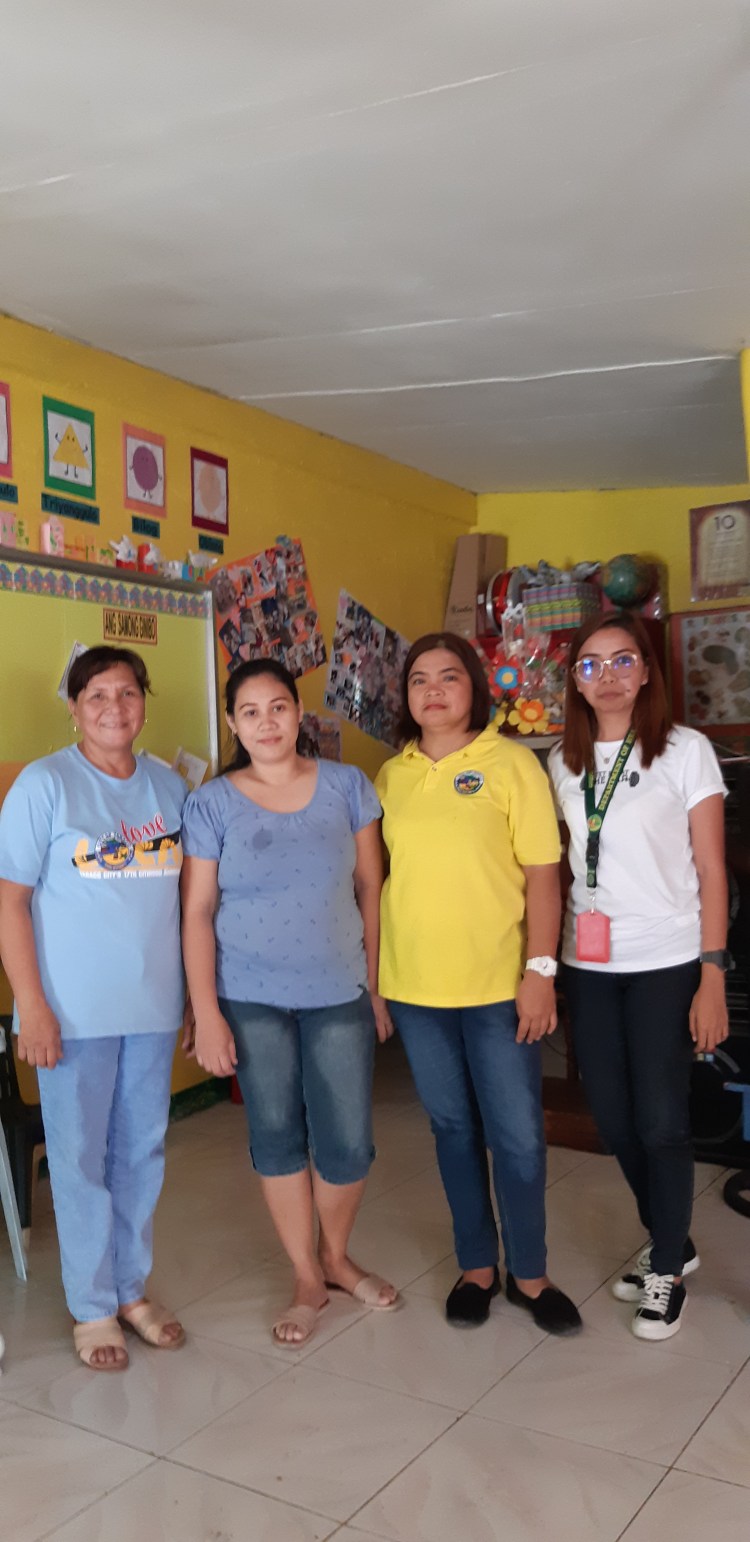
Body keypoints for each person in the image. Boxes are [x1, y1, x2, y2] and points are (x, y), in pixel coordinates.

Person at [180, 658, 398, 1348]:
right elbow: (197, 911)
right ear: (232, 722)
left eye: (278, 707)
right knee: (275, 1134)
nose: (266, 722)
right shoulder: (211, 803)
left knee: (347, 1141)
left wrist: (376, 986)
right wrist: (206, 1014)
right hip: (249, 997)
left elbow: (371, 888)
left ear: (299, 712)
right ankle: (308, 1275)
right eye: (250, 712)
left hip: (338, 989)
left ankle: (336, 1256)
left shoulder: (347, 786)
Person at [375, 633, 581, 1333]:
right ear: (406, 696)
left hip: (499, 987)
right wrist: (379, 981)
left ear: (475, 689)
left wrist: (541, 972)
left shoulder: (512, 764)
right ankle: (477, 1267)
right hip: (416, 988)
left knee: (517, 1135)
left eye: (449, 677)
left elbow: (544, 877)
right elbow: (379, 881)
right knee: (452, 1128)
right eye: (419, 679)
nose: (433, 690)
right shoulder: (390, 776)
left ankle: (530, 1274)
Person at [0, 646, 188, 1370]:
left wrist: (193, 1001)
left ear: (144, 700)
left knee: (140, 1152)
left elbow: (189, 904)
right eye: (97, 695)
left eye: (127, 692)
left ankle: (131, 1290)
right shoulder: (44, 784)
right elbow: (10, 903)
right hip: (70, 1014)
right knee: (79, 1160)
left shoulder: (169, 787)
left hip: (152, 1007)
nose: (114, 707)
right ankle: (92, 1306)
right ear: (74, 707)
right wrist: (32, 1005)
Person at [549, 611, 728, 1341]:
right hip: (589, 962)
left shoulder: (686, 751)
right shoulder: (562, 761)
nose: (608, 676)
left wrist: (712, 973)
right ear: (575, 681)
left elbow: (712, 869)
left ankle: (666, 1267)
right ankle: (672, 1241)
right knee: (615, 1118)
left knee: (660, 1120)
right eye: (590, 664)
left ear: (648, 671)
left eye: (623, 660)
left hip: (667, 959)